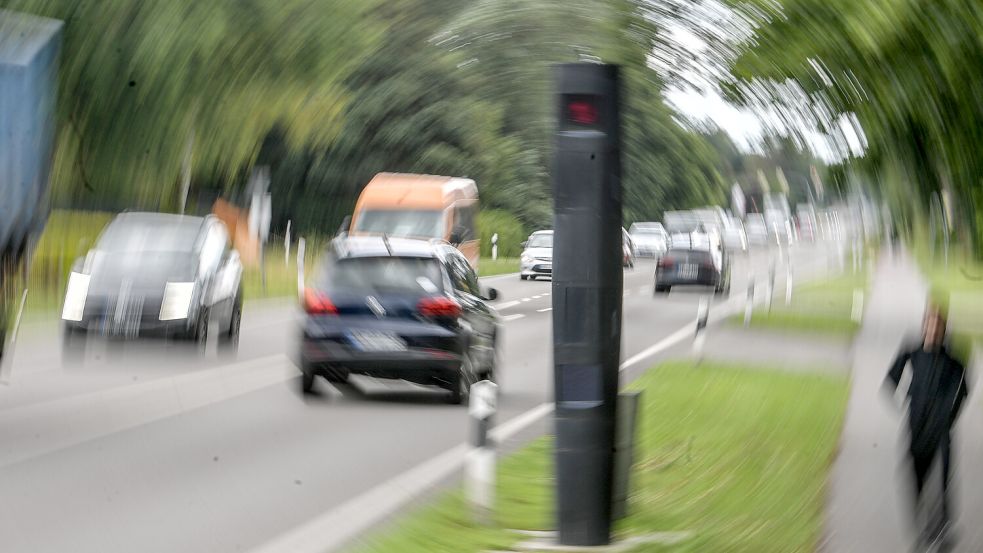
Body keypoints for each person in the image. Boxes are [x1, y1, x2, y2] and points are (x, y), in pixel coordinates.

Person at [884, 302, 968, 551]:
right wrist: (906, 404)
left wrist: (950, 415)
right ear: (923, 327)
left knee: (942, 481)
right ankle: (921, 530)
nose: (933, 331)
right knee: (916, 481)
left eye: (938, 327)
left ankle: (942, 528)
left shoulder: (954, 360)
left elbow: (964, 389)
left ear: (944, 330)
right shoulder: (913, 352)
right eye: (929, 326)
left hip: (942, 431)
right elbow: (891, 379)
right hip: (917, 428)